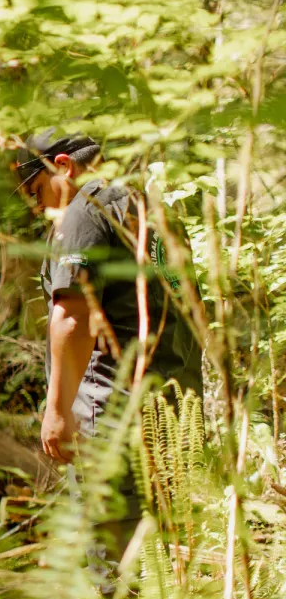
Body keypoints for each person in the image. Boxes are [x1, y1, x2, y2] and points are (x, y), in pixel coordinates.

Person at [15, 130, 203, 462]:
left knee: (114, 515)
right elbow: (194, 312)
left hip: (112, 426)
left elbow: (73, 317)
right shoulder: (156, 212)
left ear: (63, 167)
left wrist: (57, 411)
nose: (37, 207)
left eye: (37, 191)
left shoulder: (82, 212)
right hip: (178, 423)